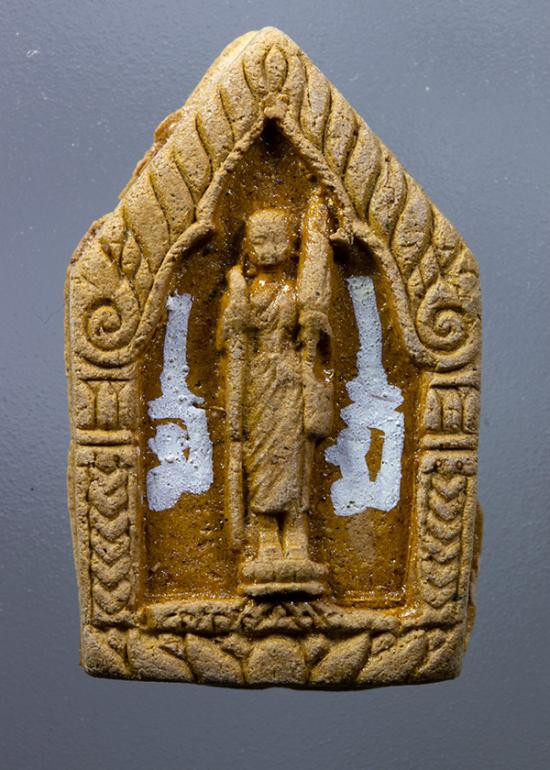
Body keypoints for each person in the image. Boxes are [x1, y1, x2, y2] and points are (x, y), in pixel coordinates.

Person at [217, 197, 333, 596]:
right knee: (261, 458)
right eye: (260, 241)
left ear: (292, 246)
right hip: (257, 383)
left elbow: (315, 335)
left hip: (291, 379)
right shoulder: (243, 291)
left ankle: (297, 534)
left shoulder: (298, 292)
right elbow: (232, 346)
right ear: (248, 246)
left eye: (277, 240)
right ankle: (266, 534)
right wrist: (236, 309)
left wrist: (313, 325)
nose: (268, 250)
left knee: (295, 459)